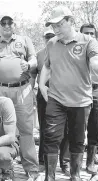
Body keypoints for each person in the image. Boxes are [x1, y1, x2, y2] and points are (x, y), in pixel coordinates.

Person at [39, 6, 98, 181]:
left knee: (78, 138)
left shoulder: (88, 41)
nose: (55, 29)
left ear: (71, 21)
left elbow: (95, 61)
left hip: (80, 100)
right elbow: (47, 66)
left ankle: (75, 174)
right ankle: (49, 177)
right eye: (53, 26)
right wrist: (41, 85)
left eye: (60, 24)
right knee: (51, 137)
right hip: (56, 98)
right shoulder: (52, 44)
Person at [0, 14, 39, 178]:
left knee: (26, 128)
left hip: (22, 90)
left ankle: (31, 167)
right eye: (3, 23)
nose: (7, 25)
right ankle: (4, 164)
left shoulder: (25, 40)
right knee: (0, 128)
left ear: (14, 25)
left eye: (10, 23)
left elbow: (34, 59)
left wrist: (28, 65)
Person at [58, 23, 98, 175]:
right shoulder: (71, 50)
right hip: (75, 91)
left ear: (96, 36)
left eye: (92, 33)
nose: (89, 36)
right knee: (71, 127)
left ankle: (90, 162)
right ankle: (65, 161)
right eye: (86, 33)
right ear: (80, 35)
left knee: (94, 127)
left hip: (96, 90)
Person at [31, 29, 55, 165]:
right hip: (42, 93)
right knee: (44, 127)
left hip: (61, 92)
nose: (50, 38)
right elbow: (33, 75)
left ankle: (64, 161)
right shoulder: (39, 54)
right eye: (47, 36)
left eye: (52, 36)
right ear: (44, 38)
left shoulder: (64, 51)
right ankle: (42, 159)